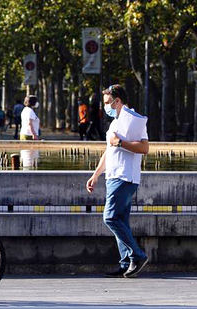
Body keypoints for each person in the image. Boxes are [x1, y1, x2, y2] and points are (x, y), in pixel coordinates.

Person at [86, 84, 149, 278]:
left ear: (118, 101)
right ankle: (126, 263)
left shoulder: (133, 120)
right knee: (120, 220)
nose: (105, 107)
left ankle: (137, 256)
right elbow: (109, 150)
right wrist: (96, 175)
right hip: (114, 176)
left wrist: (120, 142)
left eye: (107, 103)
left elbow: (144, 148)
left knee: (110, 217)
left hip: (125, 176)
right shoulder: (115, 121)